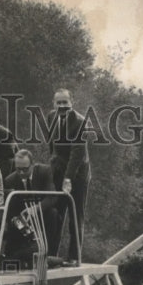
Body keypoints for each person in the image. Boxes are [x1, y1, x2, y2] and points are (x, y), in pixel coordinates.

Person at [46, 88, 91, 264]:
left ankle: (74, 257)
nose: (62, 106)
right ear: (54, 103)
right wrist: (53, 164)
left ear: (71, 103)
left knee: (75, 213)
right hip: (59, 170)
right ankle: (51, 255)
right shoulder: (51, 117)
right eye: (59, 102)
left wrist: (68, 179)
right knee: (55, 212)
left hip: (78, 173)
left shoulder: (80, 122)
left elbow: (77, 154)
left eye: (66, 102)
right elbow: (52, 145)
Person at [4, 149, 62, 259]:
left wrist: (35, 208)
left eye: (25, 169)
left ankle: (48, 254)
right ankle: (24, 252)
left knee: (53, 214)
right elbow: (12, 212)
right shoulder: (10, 180)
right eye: (18, 169)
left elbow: (52, 197)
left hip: (42, 214)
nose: (21, 173)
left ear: (32, 165)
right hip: (22, 220)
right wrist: (23, 225)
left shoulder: (44, 171)